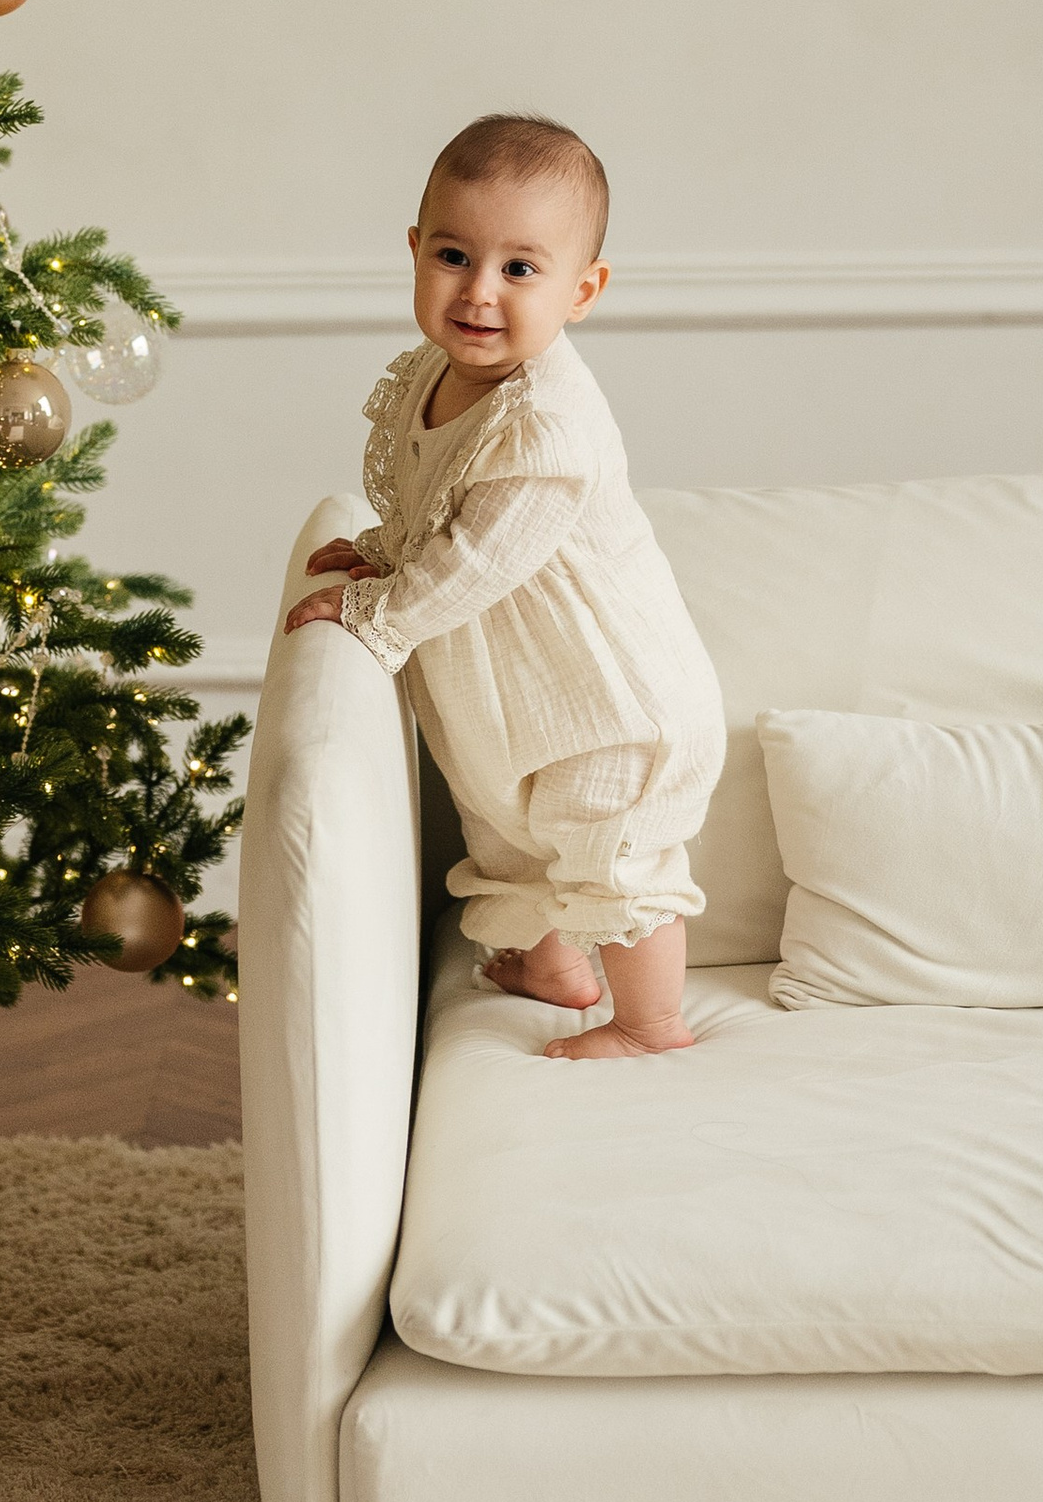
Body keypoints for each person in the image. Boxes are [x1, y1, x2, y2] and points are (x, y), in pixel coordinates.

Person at [284, 114, 725, 1059]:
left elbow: (481, 559)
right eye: (453, 255)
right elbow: (431, 503)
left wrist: (375, 609)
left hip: (612, 695)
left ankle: (650, 1023)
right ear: (413, 251)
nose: (479, 293)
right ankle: (549, 967)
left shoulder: (547, 427)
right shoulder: (430, 378)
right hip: (522, 691)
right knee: (516, 836)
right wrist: (385, 550)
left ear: (583, 291)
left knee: (611, 848)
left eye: (520, 270)